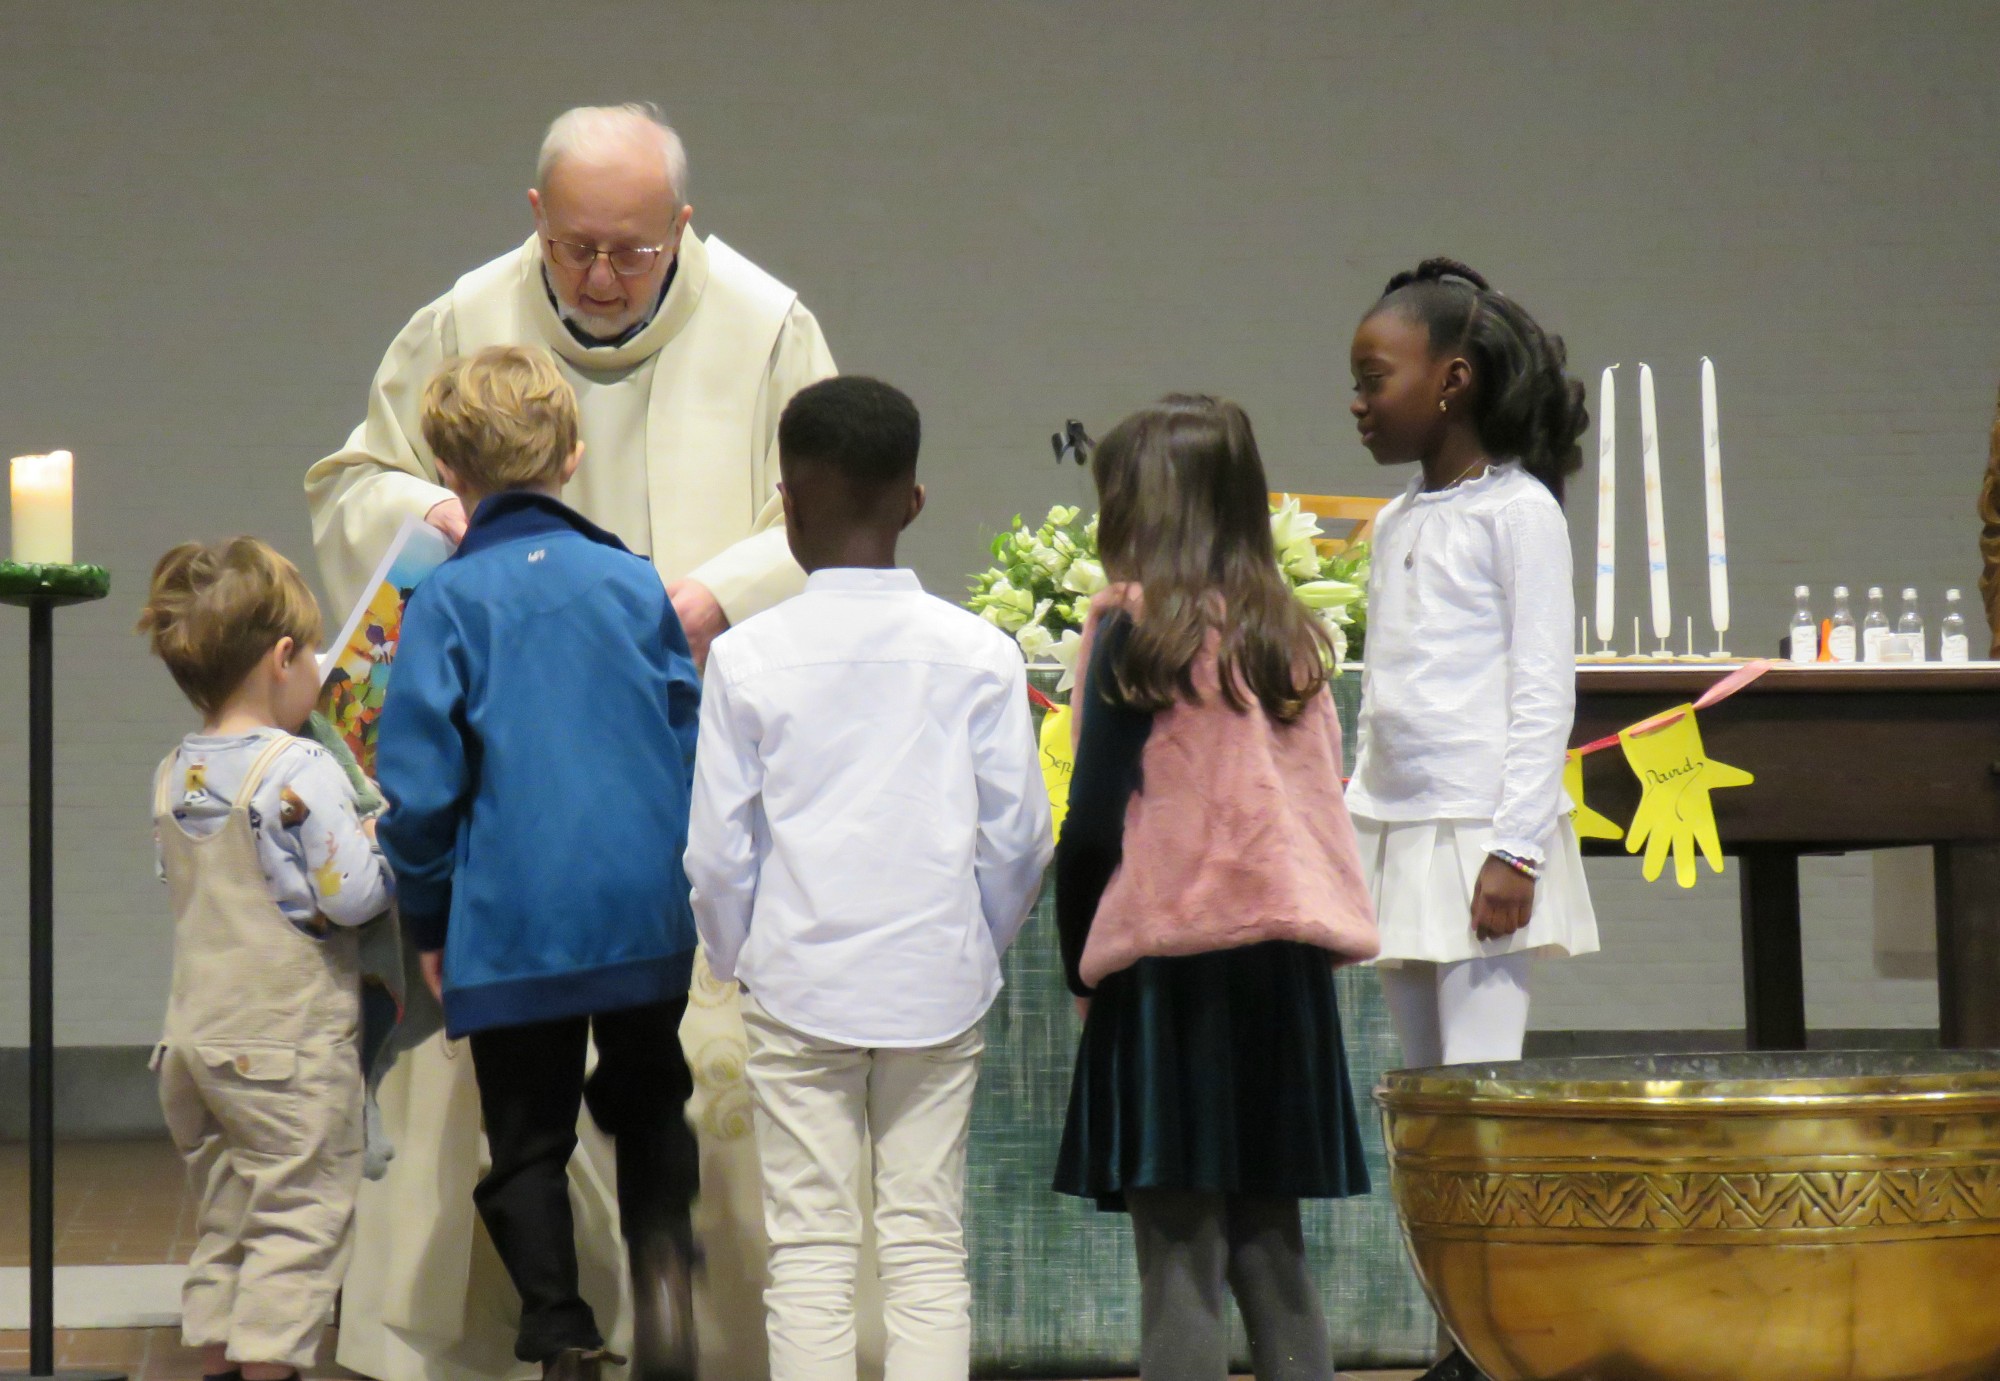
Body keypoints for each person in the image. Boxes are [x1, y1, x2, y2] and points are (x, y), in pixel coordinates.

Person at [305, 102, 837, 1381]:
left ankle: (624, 1329)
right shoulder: (465, 314)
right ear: (535, 218)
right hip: (582, 848)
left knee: (591, 1097)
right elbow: (352, 483)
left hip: (620, 833)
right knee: (586, 1100)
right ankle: (521, 1328)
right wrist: (435, 506)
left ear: (683, 228)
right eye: (579, 247)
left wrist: (713, 597)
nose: (601, 277)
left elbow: (821, 507)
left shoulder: (766, 325)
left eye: (634, 252)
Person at [685, 376, 1052, 1381]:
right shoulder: (978, 652)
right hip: (935, 980)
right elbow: (1019, 839)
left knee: (807, 1250)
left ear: (785, 506)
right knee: (926, 1245)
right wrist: (973, 941)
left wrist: (738, 955)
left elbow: (718, 851)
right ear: (915, 500)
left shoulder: (747, 657)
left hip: (796, 982)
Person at [374, 347, 705, 1381]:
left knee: (525, 1138)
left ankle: (559, 1330)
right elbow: (686, 735)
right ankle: (661, 1256)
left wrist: (426, 924)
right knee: (652, 1092)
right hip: (644, 903)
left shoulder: (446, 603)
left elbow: (419, 793)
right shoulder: (631, 579)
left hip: (514, 914)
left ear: (446, 469)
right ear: (569, 454)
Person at [1051, 395, 1379, 1381]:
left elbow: (1094, 820)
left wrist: (1079, 962)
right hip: (1282, 978)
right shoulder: (1290, 640)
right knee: (1270, 1247)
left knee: (1178, 1253)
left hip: (1166, 980)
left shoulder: (1134, 636)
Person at [1344, 258, 1600, 1381]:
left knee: (1480, 1108)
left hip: (1483, 841)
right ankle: (1455, 1334)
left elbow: (1542, 691)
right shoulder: (1395, 518)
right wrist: (1351, 830)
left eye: (1371, 378)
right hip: (1399, 836)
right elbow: (1382, 701)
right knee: (1426, 1120)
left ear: (1450, 381)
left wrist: (1512, 847)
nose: (1354, 402)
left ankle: (1498, 1345)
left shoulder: (1519, 512)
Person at [138, 537, 396, 1381]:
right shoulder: (301, 767)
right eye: (314, 649)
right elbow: (352, 896)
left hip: (193, 1046)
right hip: (285, 1047)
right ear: (283, 657)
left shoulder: (174, 772)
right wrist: (383, 838)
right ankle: (269, 1370)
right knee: (301, 1220)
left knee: (229, 1217)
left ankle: (215, 1360)